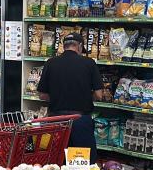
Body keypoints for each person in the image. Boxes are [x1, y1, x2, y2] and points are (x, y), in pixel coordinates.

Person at [36, 32, 105, 162]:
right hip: (80, 121)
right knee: (82, 165)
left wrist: (59, 96)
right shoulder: (89, 63)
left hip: (56, 121)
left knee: (57, 162)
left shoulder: (50, 63)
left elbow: (42, 95)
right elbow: (99, 95)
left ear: (63, 46)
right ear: (79, 46)